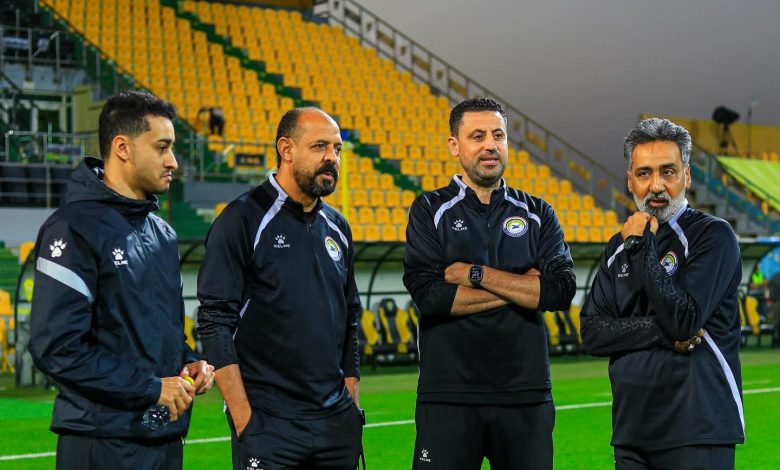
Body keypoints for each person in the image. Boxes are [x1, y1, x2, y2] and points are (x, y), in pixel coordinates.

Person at [29, 90, 215, 470]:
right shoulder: (73, 227)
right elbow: (57, 348)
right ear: (122, 148)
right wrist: (151, 387)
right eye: (162, 147)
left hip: (164, 438)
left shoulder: (162, 234)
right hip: (102, 442)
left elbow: (159, 335)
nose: (173, 161)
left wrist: (188, 363)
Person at [403, 97, 576, 470]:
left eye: (498, 135)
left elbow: (560, 291)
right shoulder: (429, 210)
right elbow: (431, 297)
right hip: (448, 395)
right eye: (477, 136)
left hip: (526, 395)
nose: (490, 145)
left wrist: (475, 274)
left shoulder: (539, 212)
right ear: (455, 145)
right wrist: (523, 289)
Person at [197, 107, 364, 469]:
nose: (332, 158)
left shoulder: (338, 227)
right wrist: (244, 420)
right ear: (286, 149)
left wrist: (351, 399)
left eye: (337, 149)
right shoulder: (242, 219)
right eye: (319, 147)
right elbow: (214, 321)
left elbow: (351, 315)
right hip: (269, 424)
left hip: (336, 423)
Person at [580, 118, 744, 469]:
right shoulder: (617, 246)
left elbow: (683, 319)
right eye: (644, 174)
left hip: (697, 429)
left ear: (687, 176)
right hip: (632, 433)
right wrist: (660, 331)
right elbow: (592, 333)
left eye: (668, 172)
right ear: (630, 181)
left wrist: (641, 247)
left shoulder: (713, 236)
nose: (656, 186)